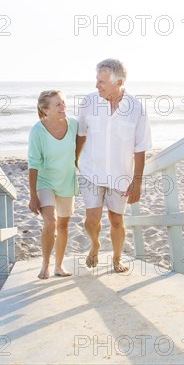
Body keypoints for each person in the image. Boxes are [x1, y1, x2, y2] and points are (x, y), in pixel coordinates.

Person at [77, 59, 152, 273]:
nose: (96, 86)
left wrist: (137, 182)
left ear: (118, 82)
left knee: (116, 220)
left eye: (101, 81)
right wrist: (74, 161)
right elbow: (81, 135)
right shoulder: (88, 103)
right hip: (91, 172)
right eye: (97, 80)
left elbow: (141, 147)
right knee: (91, 220)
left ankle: (117, 259)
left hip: (121, 175)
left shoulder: (136, 108)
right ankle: (95, 244)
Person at [28, 90, 80, 279]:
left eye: (63, 103)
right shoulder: (37, 131)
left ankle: (59, 266)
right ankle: (45, 264)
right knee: (51, 222)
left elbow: (84, 143)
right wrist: (33, 195)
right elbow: (33, 164)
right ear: (45, 110)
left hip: (66, 180)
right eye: (58, 104)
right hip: (45, 181)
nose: (63, 107)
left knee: (63, 226)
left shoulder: (74, 124)